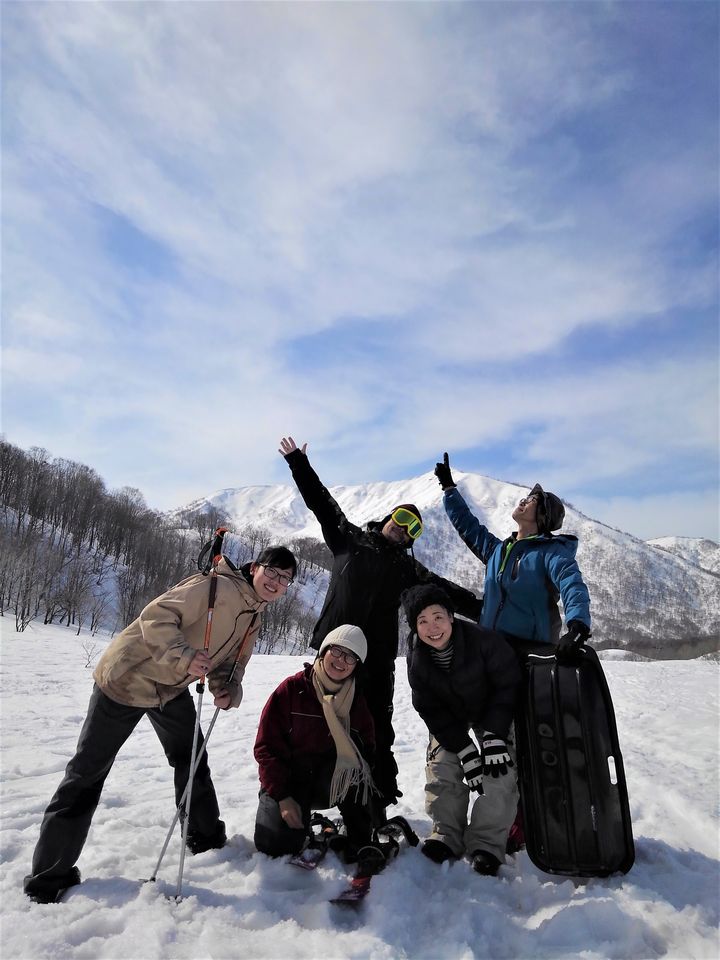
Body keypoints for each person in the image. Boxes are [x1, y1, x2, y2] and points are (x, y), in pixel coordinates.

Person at [23, 545, 297, 904]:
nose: (277, 583)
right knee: (86, 774)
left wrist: (227, 687)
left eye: (286, 579)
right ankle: (47, 878)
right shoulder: (213, 587)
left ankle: (204, 837)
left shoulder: (253, 613)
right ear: (255, 568)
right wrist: (185, 656)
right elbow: (156, 617)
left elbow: (231, 662)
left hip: (169, 687)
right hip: (127, 679)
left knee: (192, 757)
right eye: (273, 573)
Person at [278, 436, 481, 817]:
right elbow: (322, 503)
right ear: (388, 517)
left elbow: (444, 590)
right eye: (402, 520)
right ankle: (307, 794)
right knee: (316, 722)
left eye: (413, 531)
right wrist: (298, 464)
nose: (404, 530)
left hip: (375, 661)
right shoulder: (349, 540)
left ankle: (376, 800)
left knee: (377, 732)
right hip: (332, 653)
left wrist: (486, 610)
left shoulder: (406, 568)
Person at [402, 584, 521, 876]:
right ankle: (446, 834)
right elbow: (428, 707)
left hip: (491, 713)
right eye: (423, 621)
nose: (432, 627)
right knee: (443, 765)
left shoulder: (484, 641)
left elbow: (508, 686)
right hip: (452, 719)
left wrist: (493, 735)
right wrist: (464, 747)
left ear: (451, 617)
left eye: (438, 617)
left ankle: (487, 844)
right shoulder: (417, 657)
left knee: (499, 769)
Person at [433, 453, 591, 659]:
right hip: (490, 648)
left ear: (543, 515)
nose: (524, 500)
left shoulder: (552, 552)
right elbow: (468, 526)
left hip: (529, 654)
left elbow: (573, 584)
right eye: (525, 497)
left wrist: (577, 627)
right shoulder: (498, 551)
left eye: (532, 500)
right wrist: (449, 488)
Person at [253, 624, 379, 865]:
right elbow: (266, 748)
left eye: (351, 657)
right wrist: (282, 796)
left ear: (357, 666)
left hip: (330, 782)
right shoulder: (292, 690)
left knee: (355, 768)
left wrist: (360, 825)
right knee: (273, 844)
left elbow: (365, 755)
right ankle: (298, 825)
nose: (342, 661)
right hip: (288, 781)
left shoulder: (356, 701)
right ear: (324, 651)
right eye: (337, 651)